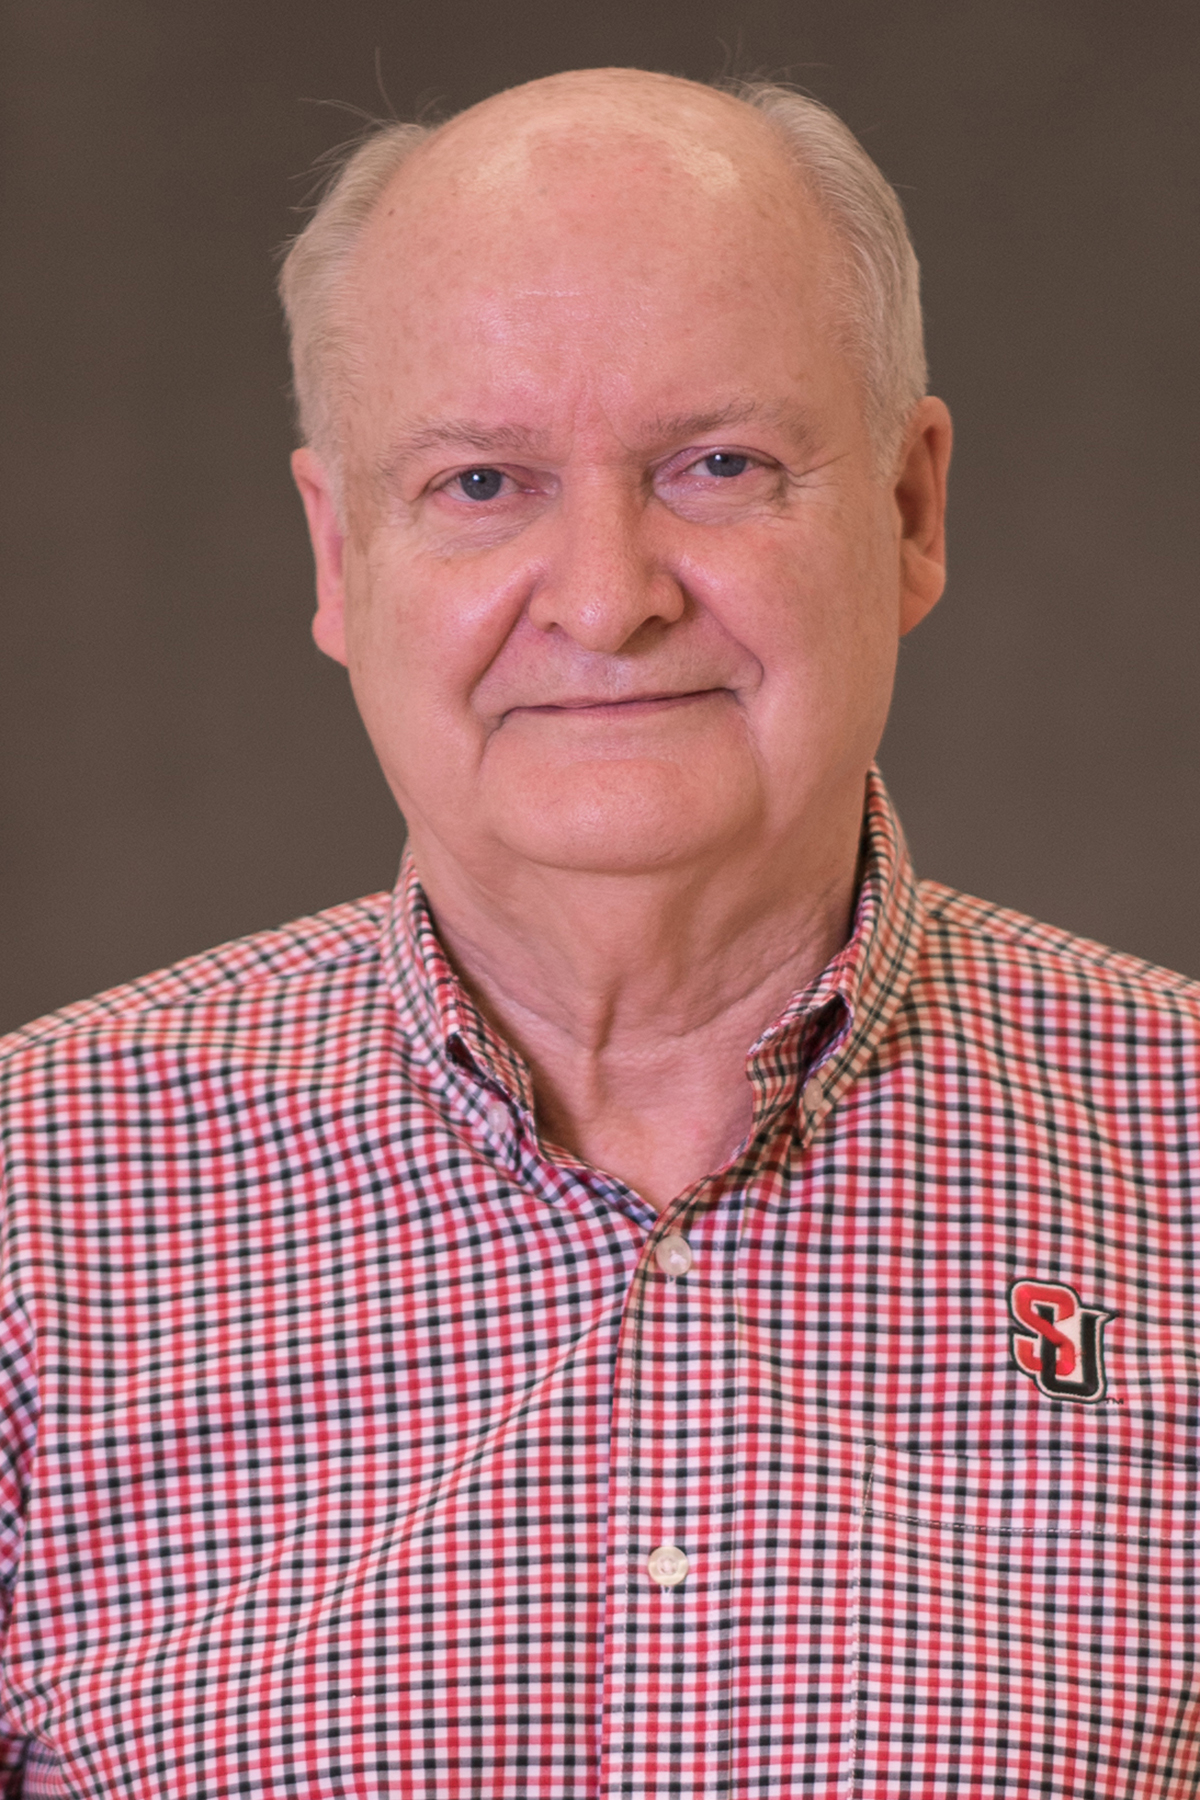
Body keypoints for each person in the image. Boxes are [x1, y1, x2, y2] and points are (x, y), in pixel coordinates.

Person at [0, 65, 1197, 1799]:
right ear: (338, 555)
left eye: (719, 466)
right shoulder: (35, 1207)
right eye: (483, 482)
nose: (605, 596)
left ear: (909, 511)